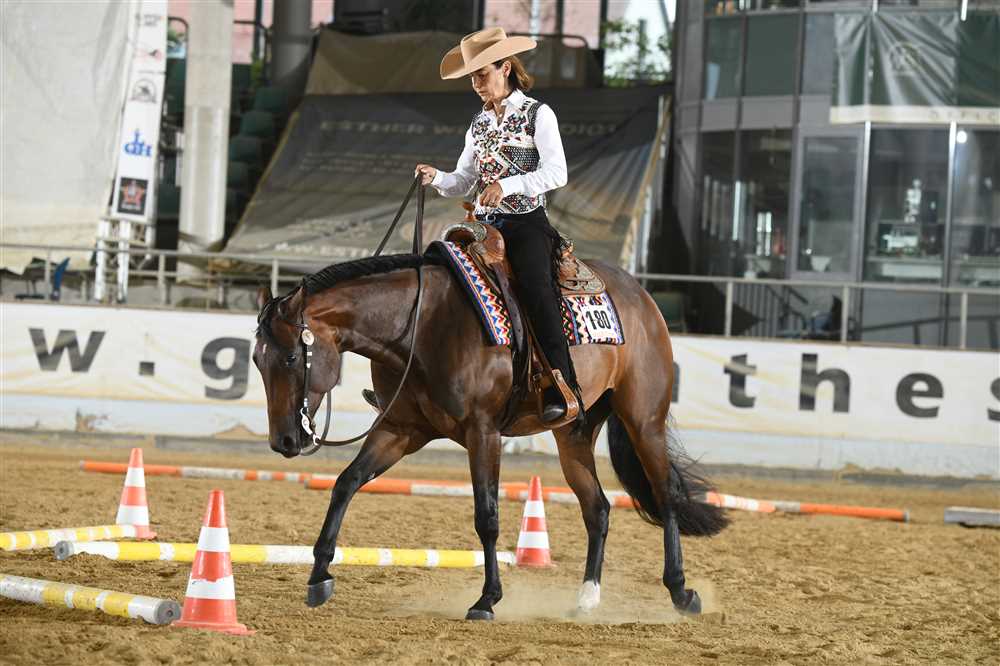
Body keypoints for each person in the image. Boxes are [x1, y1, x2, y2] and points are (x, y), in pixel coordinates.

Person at [416, 27, 575, 424]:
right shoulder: (479, 124)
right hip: (483, 227)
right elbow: (464, 180)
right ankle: (419, 383)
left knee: (537, 289)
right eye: (472, 77)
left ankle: (561, 384)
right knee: (437, 281)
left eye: (482, 73)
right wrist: (437, 177)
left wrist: (508, 185)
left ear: (505, 68)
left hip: (525, 223)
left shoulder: (538, 114)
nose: (476, 83)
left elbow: (557, 172)